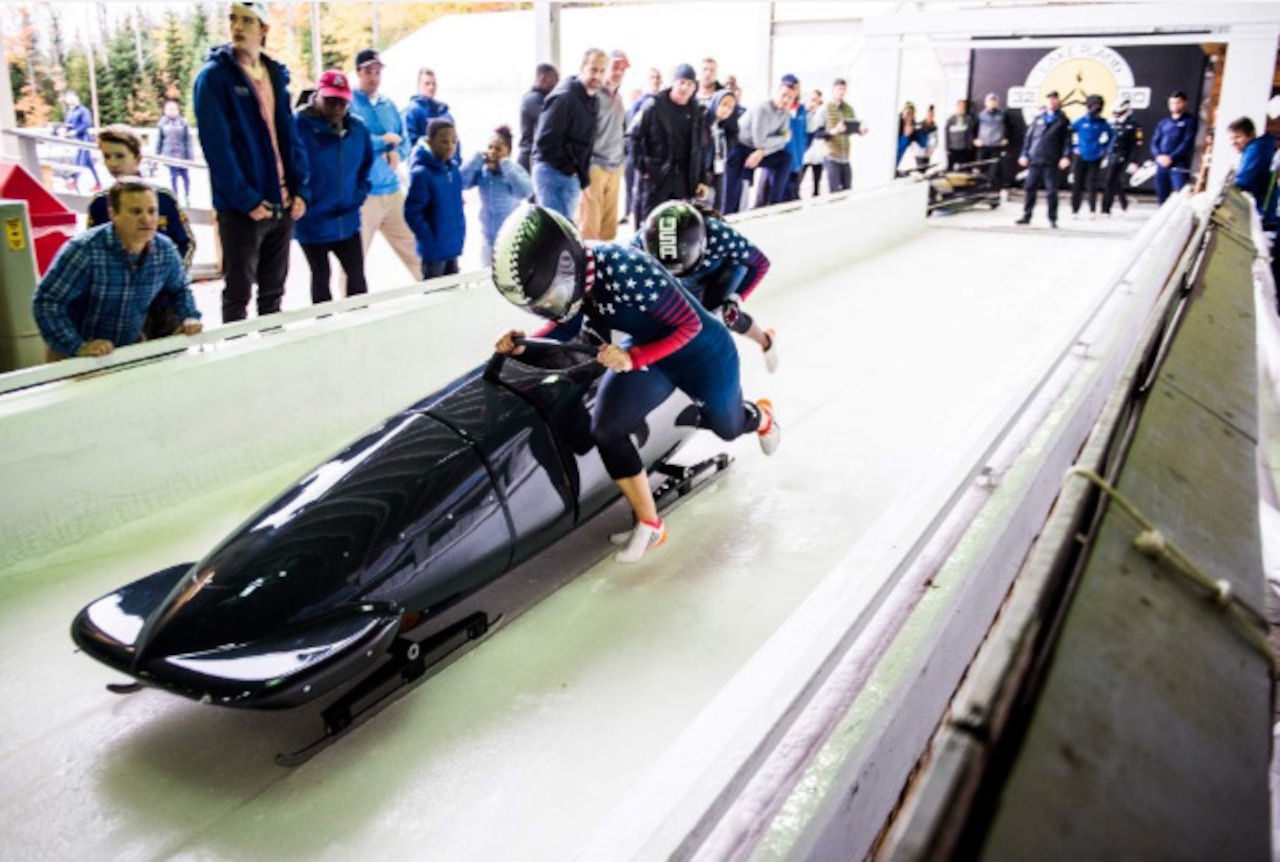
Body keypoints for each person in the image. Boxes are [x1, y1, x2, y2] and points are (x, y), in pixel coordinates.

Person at [491, 203, 779, 563]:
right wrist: (525, 343)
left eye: (550, 296)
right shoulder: (581, 277)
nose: (550, 304)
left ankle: (761, 416)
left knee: (728, 427)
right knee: (607, 428)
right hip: (649, 354)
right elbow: (565, 326)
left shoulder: (627, 268)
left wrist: (632, 358)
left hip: (703, 355)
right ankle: (650, 522)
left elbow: (688, 325)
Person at [193, 1, 308, 323]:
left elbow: (290, 137)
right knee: (239, 290)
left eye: (247, 20)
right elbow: (218, 147)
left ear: (264, 29)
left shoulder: (275, 75)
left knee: (274, 291)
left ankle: (271, 356)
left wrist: (301, 189)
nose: (238, 27)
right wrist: (245, 198)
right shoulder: (215, 78)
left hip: (281, 201)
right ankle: (236, 357)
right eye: (233, 19)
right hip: (243, 207)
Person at [33, 179, 202, 360]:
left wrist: (189, 316)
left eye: (152, 211)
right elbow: (47, 302)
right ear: (113, 214)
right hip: (75, 353)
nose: (147, 219)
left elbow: (180, 289)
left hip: (126, 348)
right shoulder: (84, 250)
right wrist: (77, 346)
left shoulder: (164, 250)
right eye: (135, 212)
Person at [638, 199, 778, 372]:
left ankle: (765, 341)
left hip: (724, 269)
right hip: (687, 274)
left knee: (724, 316)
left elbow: (761, 263)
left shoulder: (720, 234)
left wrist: (736, 297)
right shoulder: (643, 240)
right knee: (682, 317)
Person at [87, 124, 195, 340]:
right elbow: (94, 253)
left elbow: (187, 242)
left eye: (120, 156)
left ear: (137, 158)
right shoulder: (100, 204)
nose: (113, 163)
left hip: (164, 303)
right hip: (121, 307)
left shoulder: (163, 198)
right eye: (107, 156)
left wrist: (169, 278)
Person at [293, 69, 374, 304]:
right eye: (330, 101)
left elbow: (365, 166)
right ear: (317, 96)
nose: (337, 108)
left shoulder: (357, 129)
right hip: (313, 220)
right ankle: (325, 329)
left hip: (347, 218)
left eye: (342, 102)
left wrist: (358, 195)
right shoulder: (298, 126)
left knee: (357, 277)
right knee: (321, 277)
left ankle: (359, 325)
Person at [349, 48, 423, 282]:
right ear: (358, 72)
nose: (373, 77)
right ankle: (349, 309)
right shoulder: (349, 105)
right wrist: (382, 143)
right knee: (353, 260)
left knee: (415, 250)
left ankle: (435, 293)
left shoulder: (388, 104)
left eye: (377, 72)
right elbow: (352, 141)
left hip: (392, 192)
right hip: (364, 195)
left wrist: (397, 154)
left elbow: (404, 140)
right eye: (368, 72)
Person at [628, 63, 708, 224]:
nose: (684, 87)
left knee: (679, 225)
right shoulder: (653, 105)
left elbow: (700, 148)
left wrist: (702, 179)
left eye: (690, 84)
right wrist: (643, 166)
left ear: (695, 87)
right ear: (673, 82)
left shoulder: (697, 111)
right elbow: (632, 136)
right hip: (657, 176)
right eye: (682, 82)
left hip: (684, 179)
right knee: (650, 223)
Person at [532, 48, 606, 220]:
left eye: (602, 71)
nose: (598, 76)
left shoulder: (592, 99)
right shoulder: (564, 96)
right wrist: (570, 169)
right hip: (552, 172)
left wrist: (580, 175)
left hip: (570, 175)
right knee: (556, 233)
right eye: (593, 70)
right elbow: (545, 142)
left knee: (566, 233)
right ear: (582, 67)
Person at [723, 75, 796, 214]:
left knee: (785, 158)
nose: (786, 100)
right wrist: (783, 138)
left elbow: (781, 144)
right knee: (731, 199)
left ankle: (775, 204)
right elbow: (760, 141)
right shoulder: (762, 108)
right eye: (784, 95)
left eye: (791, 98)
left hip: (759, 152)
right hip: (740, 148)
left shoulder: (786, 115)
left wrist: (763, 152)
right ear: (776, 92)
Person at [460, 125, 533, 263]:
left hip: (511, 237)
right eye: (490, 147)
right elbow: (461, 182)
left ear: (508, 153)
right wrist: (475, 161)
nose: (492, 152)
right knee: (487, 274)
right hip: (488, 237)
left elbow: (525, 192)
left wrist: (506, 166)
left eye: (498, 149)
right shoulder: (482, 171)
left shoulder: (513, 171)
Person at [577, 50, 629, 240]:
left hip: (616, 167)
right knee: (589, 228)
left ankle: (606, 267)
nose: (618, 72)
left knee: (609, 229)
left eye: (622, 69)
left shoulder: (619, 98)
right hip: (595, 167)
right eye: (615, 67)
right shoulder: (593, 96)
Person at [1228, 115, 1279, 308]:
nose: (1234, 143)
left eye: (1237, 137)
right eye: (1231, 139)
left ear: (1250, 134)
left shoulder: (1257, 150)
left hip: (1269, 215)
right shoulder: (1258, 148)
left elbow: (1245, 180)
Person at [405, 118, 464, 278]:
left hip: (452, 246)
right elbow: (412, 213)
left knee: (454, 295)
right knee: (436, 295)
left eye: (454, 141)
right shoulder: (422, 174)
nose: (450, 146)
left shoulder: (454, 171)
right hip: (434, 252)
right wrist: (429, 240)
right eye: (444, 141)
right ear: (430, 142)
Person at [1015, 91, 1071, 228]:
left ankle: (1052, 218)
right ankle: (1026, 216)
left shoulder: (1063, 120)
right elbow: (1029, 137)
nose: (1051, 102)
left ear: (1058, 102)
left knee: (1051, 191)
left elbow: (1067, 142)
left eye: (1054, 99)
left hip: (1051, 160)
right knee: (1029, 187)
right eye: (1049, 99)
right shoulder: (1038, 118)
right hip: (1035, 158)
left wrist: (1065, 156)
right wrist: (1024, 154)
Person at [623, 68, 662, 224]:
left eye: (658, 77)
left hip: (656, 160)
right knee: (637, 193)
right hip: (640, 157)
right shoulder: (640, 103)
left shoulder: (662, 102)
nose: (655, 80)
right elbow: (632, 133)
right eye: (652, 77)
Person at [1150, 91, 1199, 204]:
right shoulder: (1164, 122)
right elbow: (1154, 142)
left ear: (1184, 103)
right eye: (1172, 103)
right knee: (1162, 193)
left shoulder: (1190, 121)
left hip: (1179, 163)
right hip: (1162, 163)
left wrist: (1171, 157)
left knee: (1180, 194)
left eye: (1178, 103)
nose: (1175, 106)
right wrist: (1158, 156)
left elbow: (1187, 142)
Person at [1070, 94, 1112, 219]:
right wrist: (1074, 148)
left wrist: (1103, 150)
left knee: (1092, 184)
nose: (1095, 108)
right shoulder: (1080, 122)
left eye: (1098, 106)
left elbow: (1111, 137)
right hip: (1080, 156)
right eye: (1093, 105)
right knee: (1077, 184)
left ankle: (1092, 210)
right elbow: (1068, 134)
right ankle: (1075, 210)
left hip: (1095, 157)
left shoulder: (1103, 123)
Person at [1101, 99, 1144, 217]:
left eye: (1119, 113)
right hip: (1111, 155)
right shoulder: (1111, 123)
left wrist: (1134, 161)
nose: (1116, 115)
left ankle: (1105, 208)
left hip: (1124, 156)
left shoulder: (1134, 125)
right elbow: (1108, 141)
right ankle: (1124, 203)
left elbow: (1136, 145)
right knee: (1115, 181)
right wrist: (1105, 155)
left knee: (1110, 180)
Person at [403, 67, 458, 159]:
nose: (431, 87)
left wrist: (455, 163)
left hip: (447, 166)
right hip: (425, 165)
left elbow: (456, 141)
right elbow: (410, 143)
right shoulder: (412, 111)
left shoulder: (445, 113)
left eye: (433, 84)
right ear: (419, 85)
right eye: (427, 84)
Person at [823, 78, 866, 194]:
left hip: (845, 156)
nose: (842, 92)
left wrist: (860, 130)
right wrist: (835, 130)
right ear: (833, 90)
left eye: (844, 89)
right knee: (834, 192)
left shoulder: (848, 108)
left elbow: (853, 127)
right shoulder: (826, 108)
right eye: (839, 89)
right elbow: (819, 133)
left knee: (847, 190)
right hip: (831, 155)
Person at [519, 63, 560, 175]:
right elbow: (552, 119)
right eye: (555, 79)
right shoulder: (532, 99)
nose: (557, 84)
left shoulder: (542, 98)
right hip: (529, 158)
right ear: (543, 78)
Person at [704, 89, 741, 209]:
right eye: (724, 105)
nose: (727, 110)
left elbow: (732, 140)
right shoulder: (703, 122)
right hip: (702, 169)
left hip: (719, 166)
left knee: (719, 203)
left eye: (731, 107)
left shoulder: (725, 127)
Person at [61, 91, 101, 192]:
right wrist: (64, 130)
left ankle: (74, 182)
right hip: (76, 140)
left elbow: (86, 124)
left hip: (84, 139)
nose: (69, 101)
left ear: (76, 98)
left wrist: (76, 131)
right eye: (67, 99)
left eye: (71, 98)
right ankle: (98, 183)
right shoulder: (70, 112)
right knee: (89, 163)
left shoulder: (83, 111)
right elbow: (68, 124)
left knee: (81, 161)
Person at [155, 99, 193, 204]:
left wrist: (190, 156)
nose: (171, 111)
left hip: (182, 155)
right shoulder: (162, 123)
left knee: (186, 176)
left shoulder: (183, 122)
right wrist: (156, 156)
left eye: (174, 109)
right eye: (169, 109)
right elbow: (159, 141)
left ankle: (187, 195)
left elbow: (188, 140)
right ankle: (175, 197)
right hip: (170, 156)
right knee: (173, 177)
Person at [973, 92, 1010, 190]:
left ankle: (992, 189)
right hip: (983, 146)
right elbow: (973, 129)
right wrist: (974, 140)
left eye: (994, 101)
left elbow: (1009, 128)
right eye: (990, 101)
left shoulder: (1003, 115)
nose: (992, 103)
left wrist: (1006, 138)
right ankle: (978, 189)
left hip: (996, 146)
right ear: (986, 102)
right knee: (980, 168)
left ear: (997, 103)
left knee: (994, 169)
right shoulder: (980, 115)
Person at [944, 98, 975, 171]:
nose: (961, 108)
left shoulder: (968, 119)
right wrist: (947, 147)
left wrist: (969, 147)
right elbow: (946, 135)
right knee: (950, 169)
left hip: (964, 150)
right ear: (957, 107)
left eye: (963, 106)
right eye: (960, 106)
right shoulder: (950, 120)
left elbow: (970, 134)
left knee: (964, 169)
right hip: (953, 149)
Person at [895, 102, 927, 172]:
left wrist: (923, 128)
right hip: (890, 165)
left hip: (901, 167)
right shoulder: (895, 125)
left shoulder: (914, 128)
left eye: (911, 113)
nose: (908, 116)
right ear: (903, 113)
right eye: (907, 113)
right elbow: (896, 150)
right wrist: (905, 136)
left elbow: (924, 144)